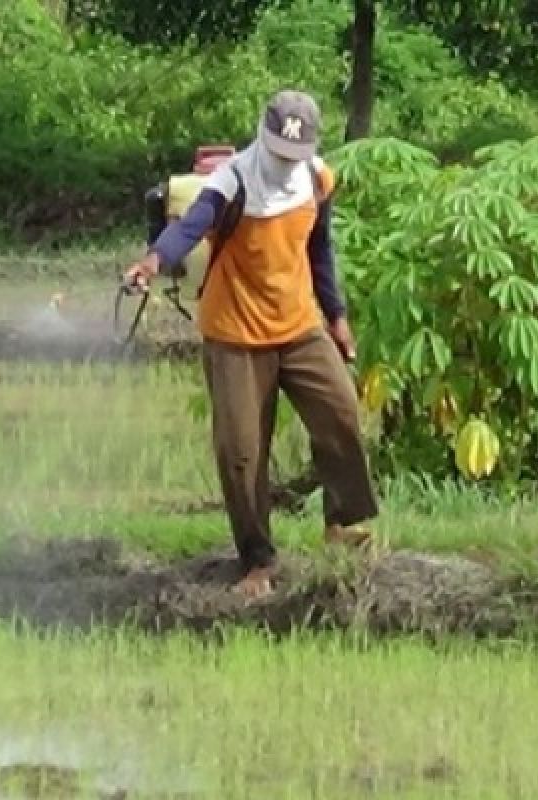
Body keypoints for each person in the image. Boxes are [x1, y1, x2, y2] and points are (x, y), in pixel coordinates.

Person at [124, 89, 380, 599]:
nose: (287, 163)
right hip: (235, 333)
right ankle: (258, 561)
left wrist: (337, 316)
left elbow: (319, 250)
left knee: (340, 412)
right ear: (264, 140)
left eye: (296, 155)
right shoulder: (232, 182)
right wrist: (152, 262)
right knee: (241, 450)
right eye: (280, 153)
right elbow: (189, 229)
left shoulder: (316, 179)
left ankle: (342, 524)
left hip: (299, 322)